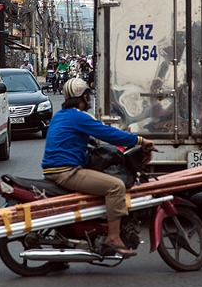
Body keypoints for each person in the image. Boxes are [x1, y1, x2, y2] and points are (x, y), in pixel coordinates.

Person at [42, 78, 155, 258]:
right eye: (88, 95)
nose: (90, 99)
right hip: (66, 172)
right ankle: (113, 238)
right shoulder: (79, 116)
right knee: (115, 187)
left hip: (56, 170)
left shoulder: (61, 115)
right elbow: (107, 133)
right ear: (84, 97)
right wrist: (139, 140)